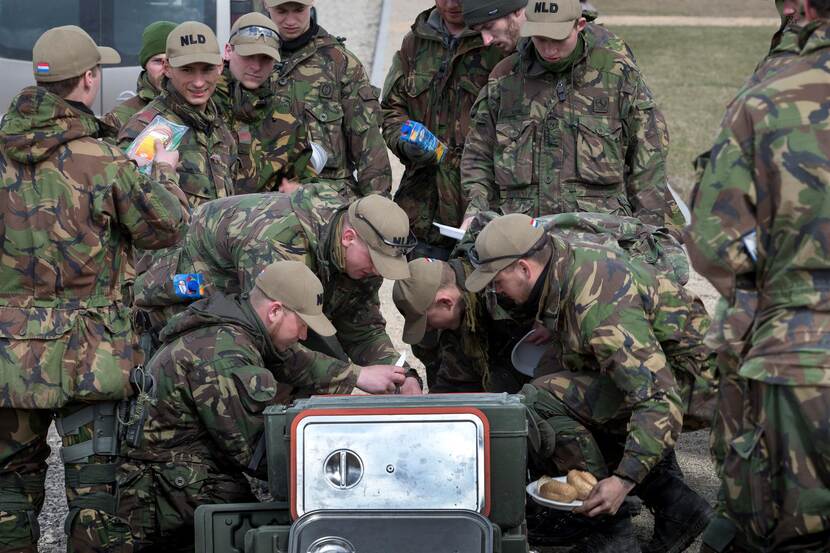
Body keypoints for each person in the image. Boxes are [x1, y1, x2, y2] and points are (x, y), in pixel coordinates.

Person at [0, 25, 188, 553]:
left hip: (10, 357)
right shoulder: (104, 160)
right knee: (95, 500)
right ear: (88, 78)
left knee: (8, 494)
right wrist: (164, 173)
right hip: (93, 355)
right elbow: (167, 228)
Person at [464, 213, 714, 552]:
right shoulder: (564, 261)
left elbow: (657, 397)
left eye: (497, 280)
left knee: (541, 401)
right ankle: (676, 504)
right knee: (558, 378)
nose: (496, 290)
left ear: (524, 269)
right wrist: (556, 327)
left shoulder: (595, 305)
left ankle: (609, 528)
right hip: (676, 374)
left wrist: (623, 481)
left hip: (697, 388)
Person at [687, 0, 830, 550]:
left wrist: (773, 289)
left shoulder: (768, 97)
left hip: (799, 358)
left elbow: (713, 243)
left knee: (791, 531)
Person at [118, 261, 368, 551]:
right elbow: (261, 455)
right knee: (271, 534)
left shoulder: (234, 324)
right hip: (162, 493)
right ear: (275, 311)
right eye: (302, 324)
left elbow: (294, 363)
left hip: (174, 475)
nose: (302, 336)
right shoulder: (224, 353)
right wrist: (342, 473)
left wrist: (359, 377)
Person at [134, 184, 422, 395]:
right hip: (185, 302)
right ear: (349, 237)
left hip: (243, 308)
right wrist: (355, 375)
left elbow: (362, 327)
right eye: (375, 262)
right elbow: (271, 342)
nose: (376, 272)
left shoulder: (361, 256)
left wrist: (401, 374)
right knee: (245, 386)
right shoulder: (277, 242)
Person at [393, 212, 691, 395]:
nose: (429, 330)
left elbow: (603, 278)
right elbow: (458, 375)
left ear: (445, 302)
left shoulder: (501, 283)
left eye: (427, 321)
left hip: (647, 263)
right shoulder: (470, 295)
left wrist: (555, 315)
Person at [460, 0, 683, 236]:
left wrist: (647, 231)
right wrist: (476, 210)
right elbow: (478, 155)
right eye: (540, 39)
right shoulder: (505, 79)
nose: (549, 50)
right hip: (525, 237)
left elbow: (648, 156)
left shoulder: (616, 74)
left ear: (580, 25)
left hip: (600, 238)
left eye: (557, 39)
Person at [381, 0, 505, 260]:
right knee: (421, 293)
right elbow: (392, 110)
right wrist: (405, 142)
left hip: (481, 205)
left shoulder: (497, 43)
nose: (452, 4)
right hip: (423, 208)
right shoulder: (415, 43)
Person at [266, 0, 392, 198]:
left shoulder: (340, 63)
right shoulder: (254, 62)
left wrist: (377, 206)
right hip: (267, 201)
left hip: (329, 200)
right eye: (281, 11)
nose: (290, 20)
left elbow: (369, 145)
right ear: (266, 5)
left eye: (298, 10)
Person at [119, 21, 236, 210]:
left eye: (207, 69)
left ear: (220, 67)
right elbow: (132, 210)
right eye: (187, 70)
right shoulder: (148, 129)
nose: (198, 82)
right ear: (167, 68)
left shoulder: (216, 124)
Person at [215, 12, 316, 194]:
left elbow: (306, 184)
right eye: (248, 56)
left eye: (265, 58)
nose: (256, 67)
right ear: (228, 51)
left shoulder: (285, 121)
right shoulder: (202, 104)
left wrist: (300, 192)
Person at [103, 21, 177, 131]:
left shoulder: (205, 108)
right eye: (158, 61)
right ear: (145, 65)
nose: (166, 69)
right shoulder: (121, 117)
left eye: (172, 61)